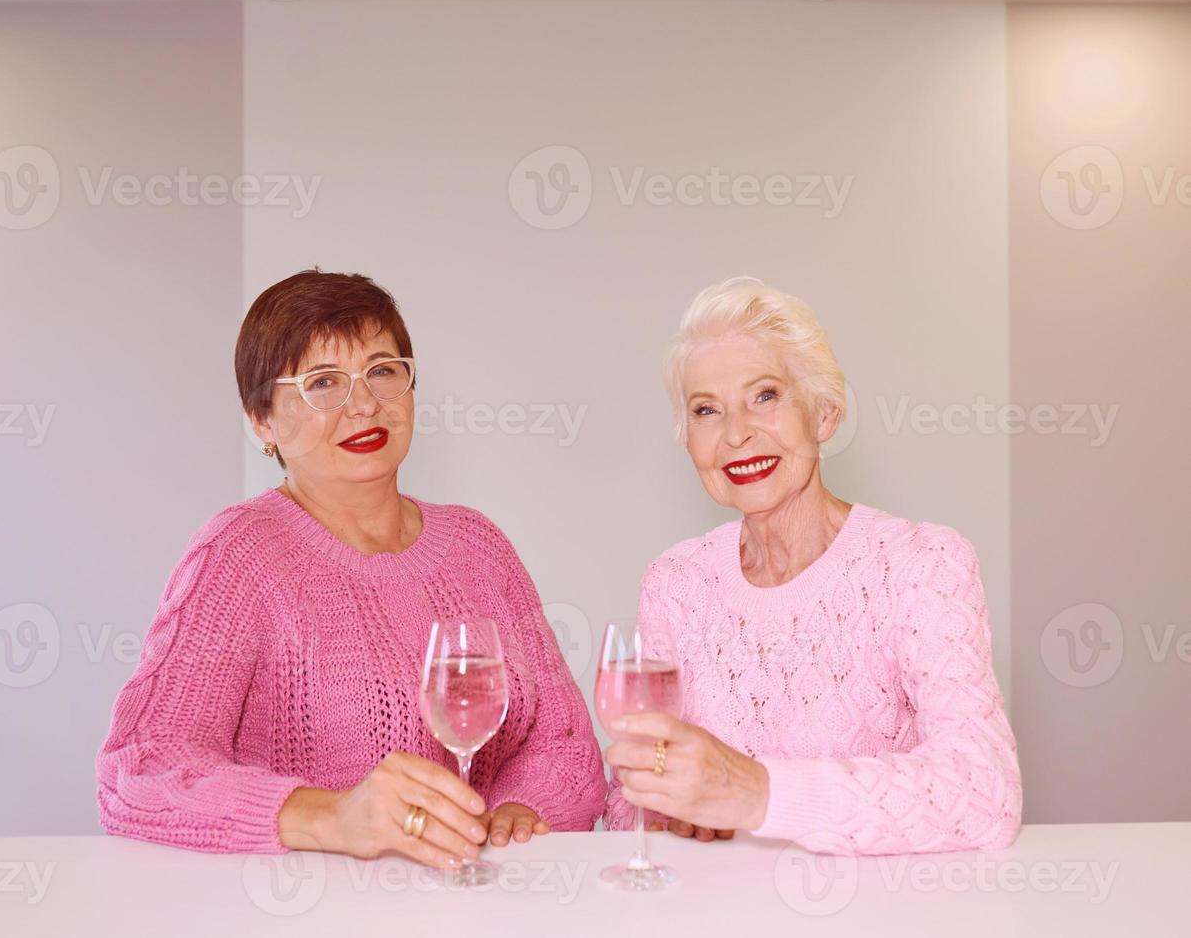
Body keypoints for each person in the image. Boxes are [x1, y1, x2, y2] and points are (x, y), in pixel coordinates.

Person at [96, 270, 606, 867]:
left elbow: (563, 744)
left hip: (480, 905)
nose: (363, 404)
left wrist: (521, 812)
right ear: (262, 420)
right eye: (322, 383)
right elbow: (140, 771)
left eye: (383, 372)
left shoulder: (479, 546)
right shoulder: (238, 555)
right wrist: (333, 817)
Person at [603, 276, 1022, 855]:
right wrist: (668, 812)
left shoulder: (923, 564)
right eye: (707, 410)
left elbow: (985, 796)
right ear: (688, 439)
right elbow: (629, 806)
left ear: (823, 415)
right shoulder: (676, 581)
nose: (736, 433)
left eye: (766, 396)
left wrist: (755, 792)